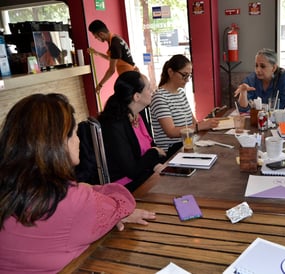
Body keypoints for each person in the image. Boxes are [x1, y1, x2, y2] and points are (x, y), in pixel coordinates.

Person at [0, 93, 156, 273]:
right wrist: (89, 191)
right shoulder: (70, 200)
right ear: (58, 144)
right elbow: (123, 203)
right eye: (75, 133)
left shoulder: (11, 189)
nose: (79, 140)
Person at [98, 71, 166, 192]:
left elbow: (150, 145)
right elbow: (132, 170)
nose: (152, 91)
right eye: (149, 88)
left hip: (144, 173)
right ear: (137, 96)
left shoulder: (138, 114)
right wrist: (153, 153)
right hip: (125, 185)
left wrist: (156, 165)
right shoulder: (114, 124)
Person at [150, 54, 219, 158]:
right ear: (170, 72)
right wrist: (200, 126)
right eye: (184, 75)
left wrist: (205, 124)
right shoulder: (159, 97)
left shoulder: (181, 93)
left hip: (186, 144)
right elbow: (171, 132)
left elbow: (193, 121)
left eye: (189, 75)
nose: (187, 80)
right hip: (171, 150)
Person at [234, 48, 285, 115]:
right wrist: (243, 93)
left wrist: (261, 108)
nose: (258, 70)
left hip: (278, 122)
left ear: (273, 68)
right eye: (256, 65)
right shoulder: (251, 79)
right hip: (256, 122)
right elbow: (242, 109)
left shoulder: (284, 78)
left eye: (263, 66)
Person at [88, 19, 138, 93]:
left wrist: (100, 85)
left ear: (101, 34)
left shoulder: (115, 44)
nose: (96, 39)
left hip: (129, 77)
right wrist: (97, 53)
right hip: (129, 74)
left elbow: (111, 70)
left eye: (96, 37)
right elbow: (111, 58)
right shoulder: (115, 38)